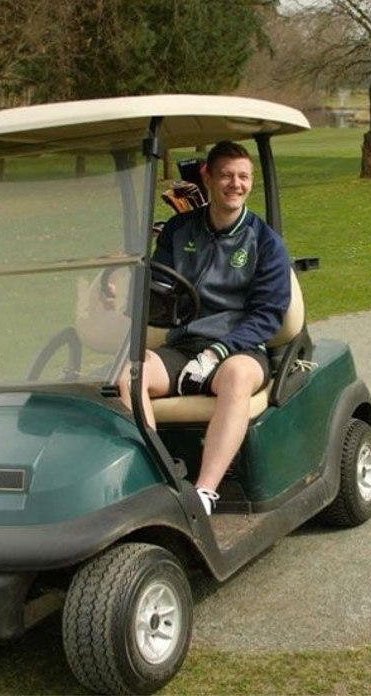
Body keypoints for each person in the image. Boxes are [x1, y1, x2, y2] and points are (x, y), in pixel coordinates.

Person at [119, 141, 292, 516]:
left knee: (235, 377)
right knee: (130, 375)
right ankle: (160, 481)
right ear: (208, 177)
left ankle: (204, 494)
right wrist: (125, 294)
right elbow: (161, 292)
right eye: (227, 175)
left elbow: (267, 314)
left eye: (243, 177)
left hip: (242, 347)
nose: (236, 184)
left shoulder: (265, 242)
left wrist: (219, 351)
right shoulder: (180, 230)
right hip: (185, 346)